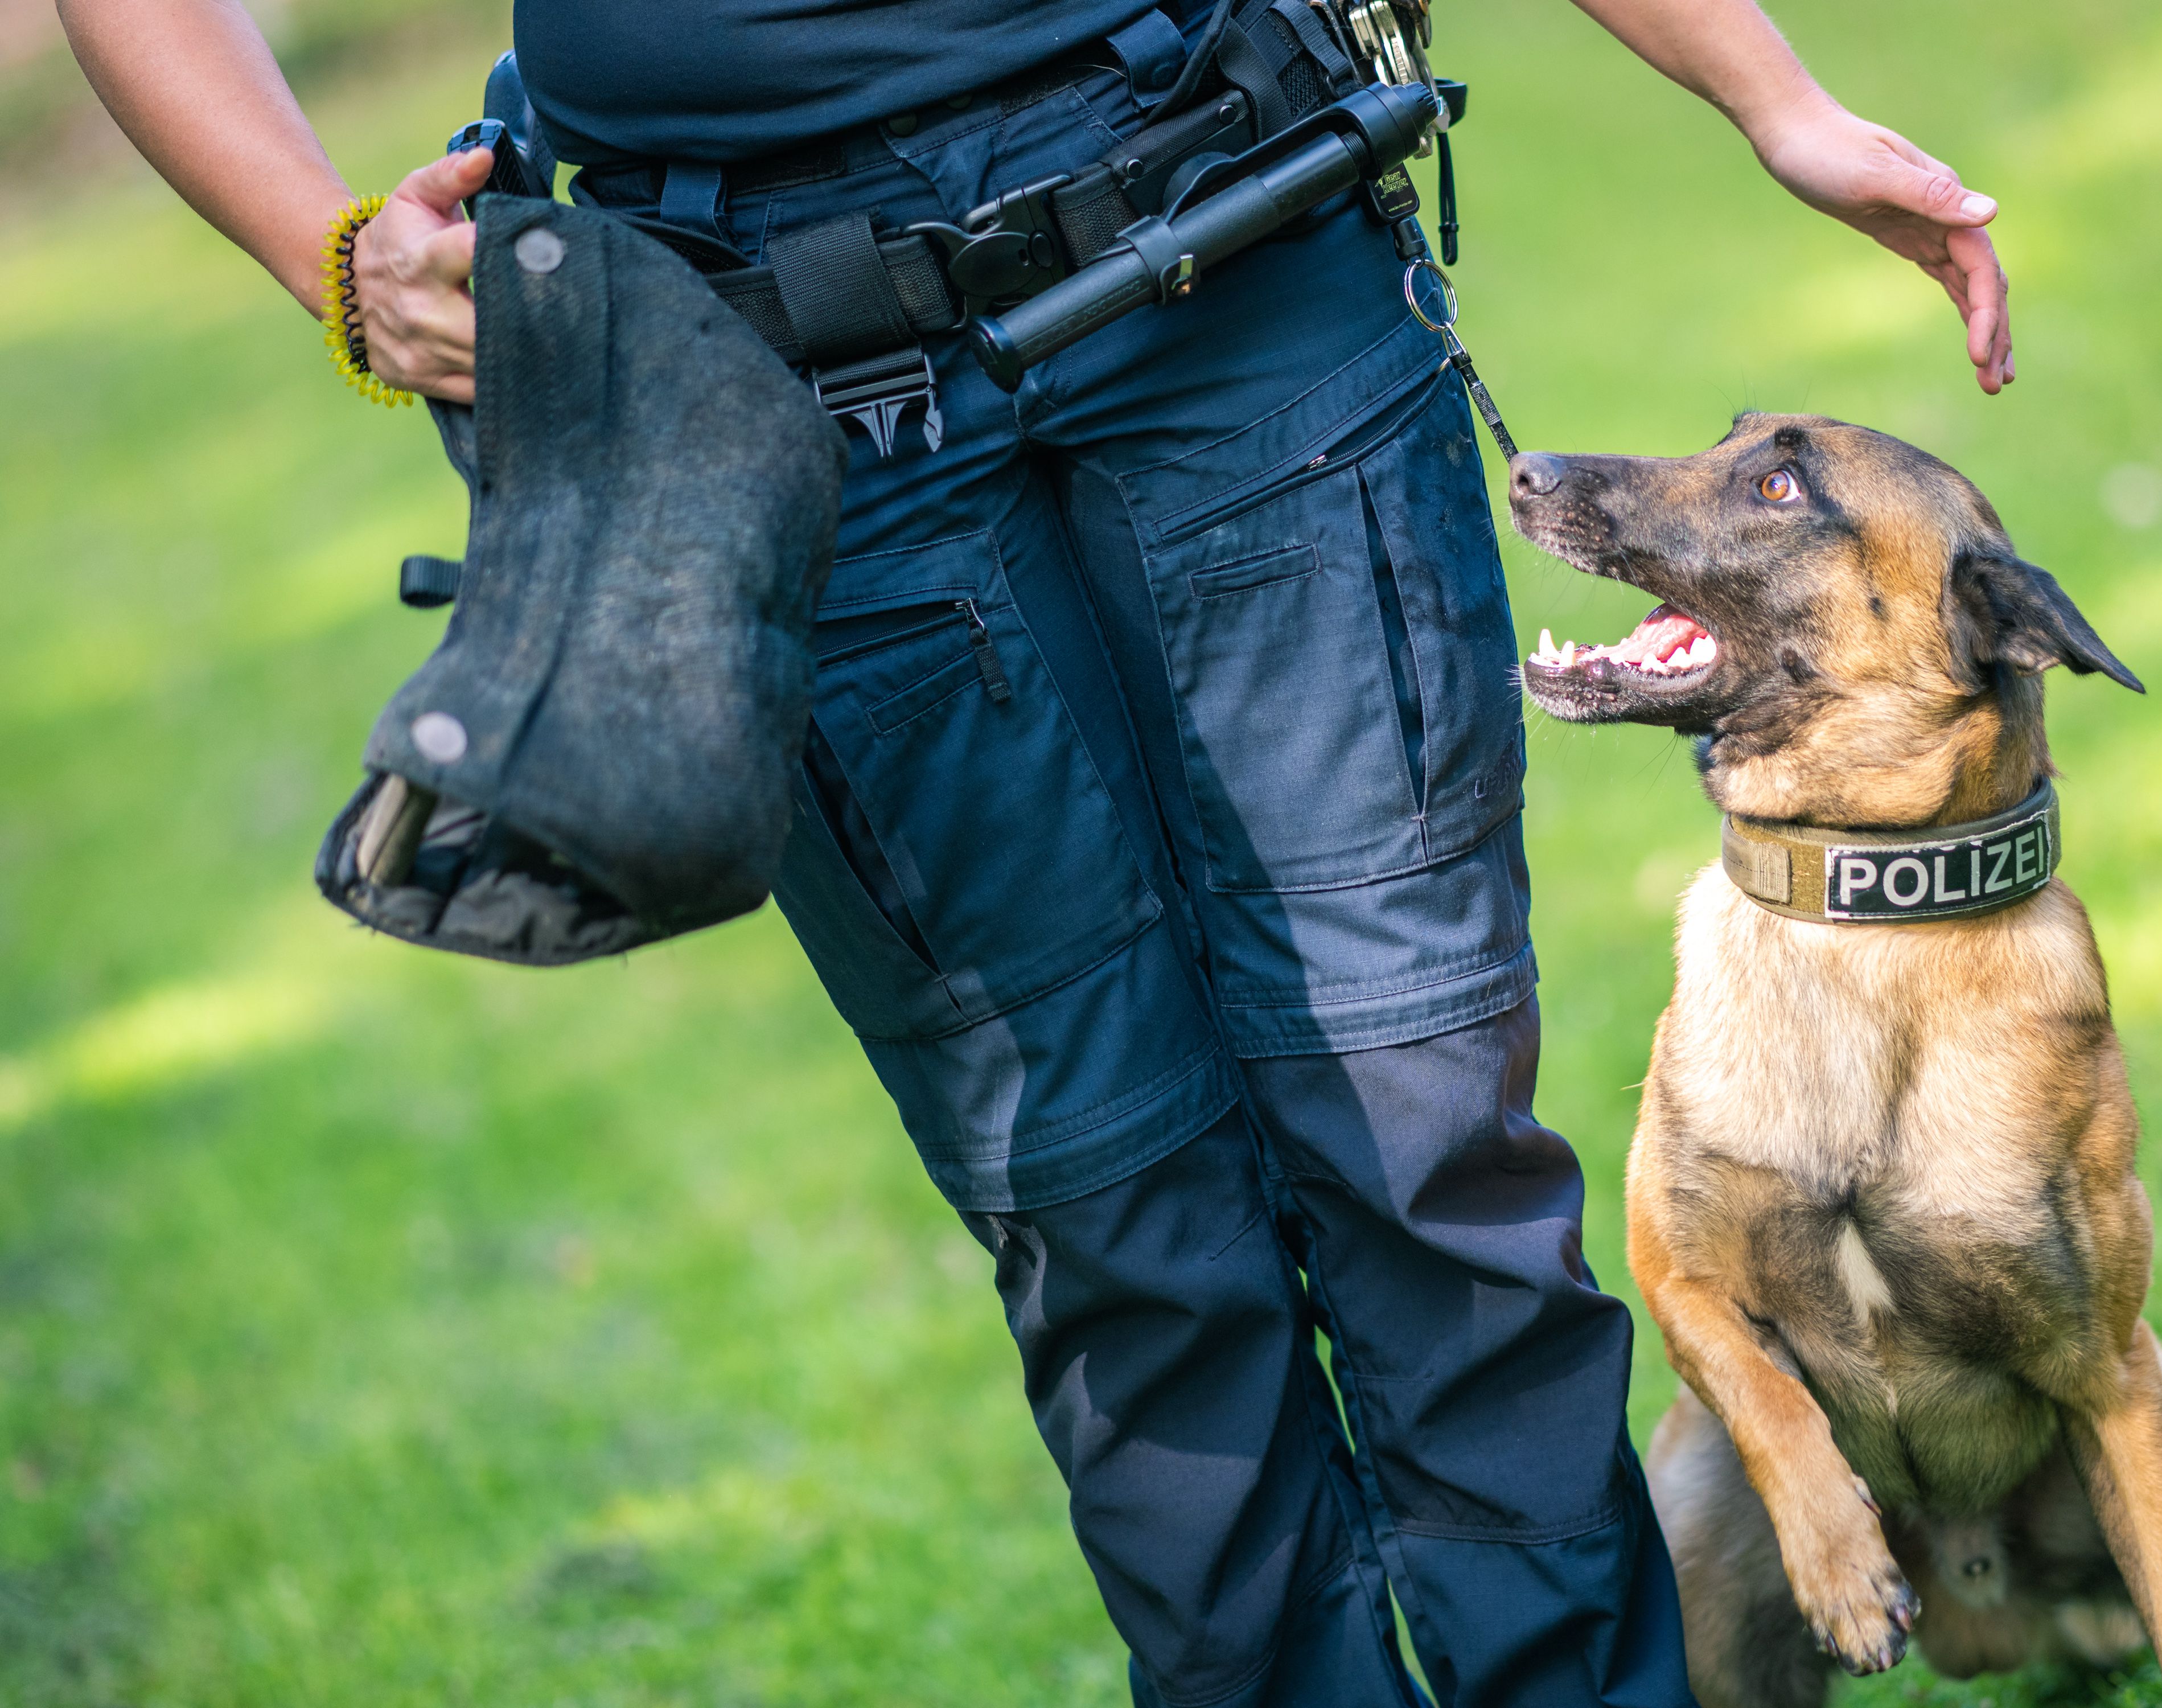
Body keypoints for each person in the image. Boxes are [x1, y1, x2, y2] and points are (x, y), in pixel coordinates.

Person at [59, 2, 2011, 1703]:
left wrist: (1767, 90)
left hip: (1240, 264)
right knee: (1115, 1234)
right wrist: (329, 252)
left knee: (1429, 1163)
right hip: (764, 400)